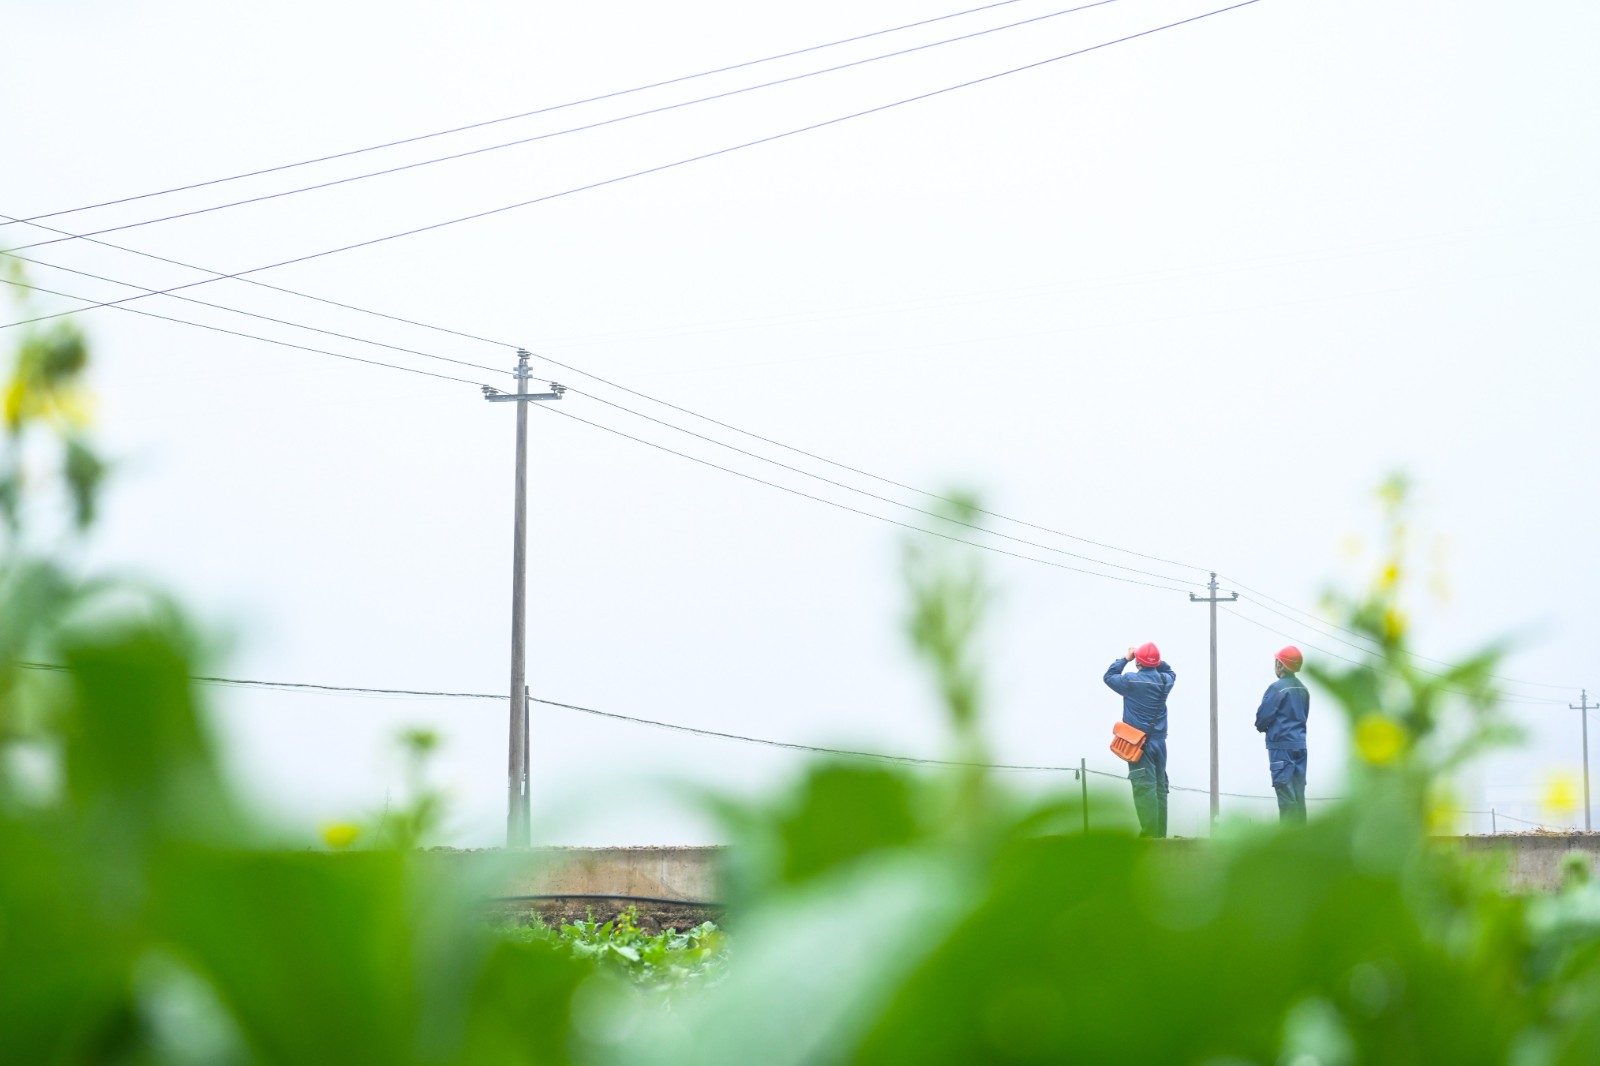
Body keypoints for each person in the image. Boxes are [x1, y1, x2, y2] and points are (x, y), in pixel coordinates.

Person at [1103, 643, 1176, 838]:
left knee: (1144, 788)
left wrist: (1126, 658)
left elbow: (1109, 677)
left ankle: (1148, 836)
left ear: (1138, 663)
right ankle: (1160, 836)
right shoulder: (1165, 681)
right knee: (1160, 788)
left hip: (1138, 744)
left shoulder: (1130, 681)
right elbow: (1170, 671)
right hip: (1160, 744)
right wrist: (1155, 661)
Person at [1254, 645, 1310, 823]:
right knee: (1298, 794)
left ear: (1280, 665)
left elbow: (1262, 719)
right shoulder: (1303, 689)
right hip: (1300, 746)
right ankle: (1302, 840)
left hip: (1281, 748)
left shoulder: (1276, 689)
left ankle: (1289, 841)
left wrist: (1264, 728)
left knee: (1285, 794)